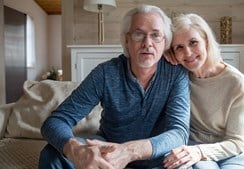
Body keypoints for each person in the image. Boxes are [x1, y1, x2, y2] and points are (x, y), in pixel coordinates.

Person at [39, 5, 190, 169]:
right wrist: (75, 149)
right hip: (107, 154)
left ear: (165, 42)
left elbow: (179, 133)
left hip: (158, 158)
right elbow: (55, 121)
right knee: (51, 154)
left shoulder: (176, 74)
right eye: (139, 34)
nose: (148, 43)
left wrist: (129, 151)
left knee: (186, 164)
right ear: (127, 39)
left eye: (155, 35)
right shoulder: (105, 73)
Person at [163, 14, 244, 169]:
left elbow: (236, 141)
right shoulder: (177, 75)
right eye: (179, 47)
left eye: (193, 42)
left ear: (206, 41)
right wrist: (162, 55)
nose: (187, 53)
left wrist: (200, 151)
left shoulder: (236, 81)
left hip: (231, 149)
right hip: (192, 145)